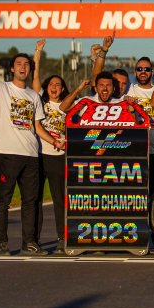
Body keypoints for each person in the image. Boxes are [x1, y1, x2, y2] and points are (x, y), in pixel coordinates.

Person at [0, 45, 60, 256]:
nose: (23, 67)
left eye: (26, 64)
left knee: (30, 201)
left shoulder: (34, 96)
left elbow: (38, 127)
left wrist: (55, 141)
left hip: (31, 155)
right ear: (12, 69)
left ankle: (29, 243)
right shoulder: (2, 88)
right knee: (4, 198)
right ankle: (1, 243)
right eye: (19, 64)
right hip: (9, 154)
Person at [31, 39, 89, 254]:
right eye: (51, 85)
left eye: (58, 85)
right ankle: (33, 240)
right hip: (39, 155)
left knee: (60, 200)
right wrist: (38, 52)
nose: (54, 88)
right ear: (46, 88)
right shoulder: (39, 100)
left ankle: (62, 238)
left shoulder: (70, 106)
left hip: (59, 157)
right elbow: (35, 76)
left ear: (63, 88)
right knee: (35, 200)